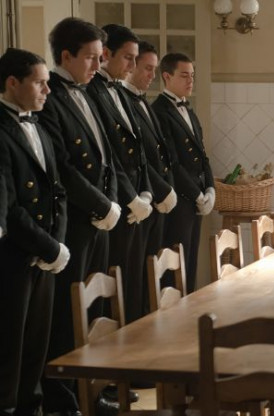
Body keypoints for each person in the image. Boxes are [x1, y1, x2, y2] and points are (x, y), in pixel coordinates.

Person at [37, 17, 120, 416]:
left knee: (94, 310)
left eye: (100, 57)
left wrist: (113, 202)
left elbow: (107, 156)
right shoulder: (50, 97)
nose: (97, 65)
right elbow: (62, 167)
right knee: (69, 314)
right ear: (66, 56)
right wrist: (100, 205)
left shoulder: (88, 92)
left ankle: (93, 389)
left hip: (99, 219)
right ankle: (64, 397)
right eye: (90, 57)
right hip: (74, 221)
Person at [0, 48, 68, 416]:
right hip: (14, 255)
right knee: (11, 347)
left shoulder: (39, 125)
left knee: (37, 345)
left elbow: (57, 190)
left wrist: (57, 244)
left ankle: (33, 408)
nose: (47, 90)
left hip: (44, 254)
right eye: (39, 83)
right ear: (13, 83)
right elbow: (9, 208)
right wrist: (47, 246)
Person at [87, 24, 153, 323]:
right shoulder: (93, 90)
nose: (132, 65)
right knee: (114, 291)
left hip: (137, 201)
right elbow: (110, 154)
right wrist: (130, 198)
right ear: (106, 53)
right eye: (128, 58)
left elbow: (139, 150)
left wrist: (146, 192)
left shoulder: (122, 92)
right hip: (118, 202)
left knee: (134, 283)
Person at [121, 40, 177, 318]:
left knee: (151, 274)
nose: (152, 76)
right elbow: (136, 156)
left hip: (155, 199)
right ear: (131, 67)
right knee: (135, 279)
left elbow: (159, 152)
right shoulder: (124, 103)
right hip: (141, 199)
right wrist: (156, 190)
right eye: (147, 68)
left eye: (155, 69)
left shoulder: (143, 101)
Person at [151, 52, 214, 292]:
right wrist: (196, 194)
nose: (190, 81)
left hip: (197, 197)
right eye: (184, 75)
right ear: (167, 76)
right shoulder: (159, 111)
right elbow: (171, 163)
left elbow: (203, 155)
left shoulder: (189, 110)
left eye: (192, 76)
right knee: (175, 267)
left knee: (190, 262)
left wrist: (210, 188)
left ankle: (190, 308)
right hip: (178, 199)